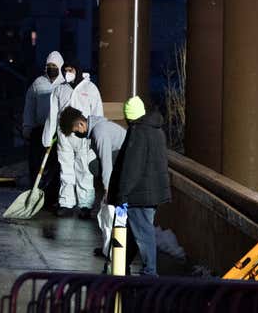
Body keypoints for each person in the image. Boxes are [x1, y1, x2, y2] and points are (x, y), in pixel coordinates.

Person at [107, 96, 171, 276]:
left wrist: (122, 194)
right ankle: (122, 264)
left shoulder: (138, 132)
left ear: (129, 116)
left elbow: (131, 167)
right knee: (133, 232)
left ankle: (150, 271)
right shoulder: (156, 130)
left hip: (138, 194)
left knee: (143, 233)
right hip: (152, 192)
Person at [58, 107, 127, 258]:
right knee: (108, 215)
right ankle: (108, 248)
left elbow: (107, 161)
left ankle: (116, 252)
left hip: (125, 170)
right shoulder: (97, 129)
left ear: (82, 124)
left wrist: (108, 188)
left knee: (116, 214)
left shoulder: (100, 132)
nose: (76, 134)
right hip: (121, 167)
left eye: (75, 130)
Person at [43, 63, 103, 218]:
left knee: (85, 170)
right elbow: (53, 114)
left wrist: (96, 135)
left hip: (84, 137)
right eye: (65, 70)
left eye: (71, 70)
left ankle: (85, 205)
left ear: (78, 69)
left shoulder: (90, 89)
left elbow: (98, 113)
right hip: (64, 137)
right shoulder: (59, 89)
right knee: (66, 170)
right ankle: (66, 202)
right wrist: (48, 137)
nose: (68, 73)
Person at [22, 51, 64, 204]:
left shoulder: (65, 84)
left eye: (54, 65)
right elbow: (29, 106)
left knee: (55, 166)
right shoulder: (38, 83)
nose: (51, 68)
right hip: (39, 130)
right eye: (49, 65)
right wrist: (27, 125)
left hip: (58, 133)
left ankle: (51, 197)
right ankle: (34, 194)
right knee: (35, 164)